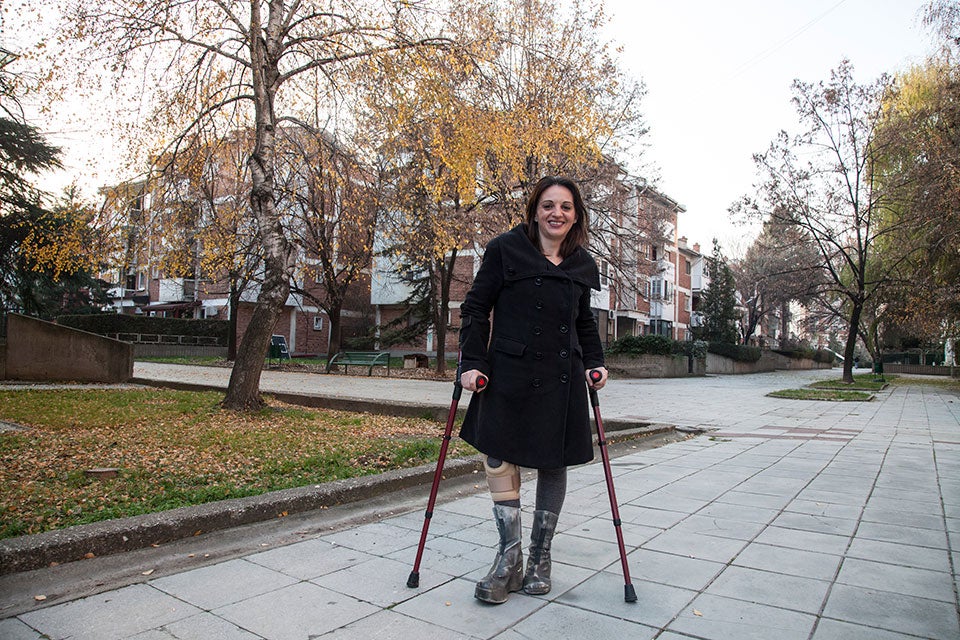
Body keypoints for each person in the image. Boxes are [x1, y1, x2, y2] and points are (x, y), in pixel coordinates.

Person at [458, 175, 608, 604]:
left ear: (575, 215)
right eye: (547, 205)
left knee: (553, 461)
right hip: (508, 371)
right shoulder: (506, 249)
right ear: (534, 210)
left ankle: (540, 556)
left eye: (564, 206)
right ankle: (509, 558)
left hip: (561, 376)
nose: (555, 213)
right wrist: (472, 362)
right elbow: (474, 308)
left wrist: (596, 363)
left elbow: (583, 322)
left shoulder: (581, 263)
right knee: (499, 453)